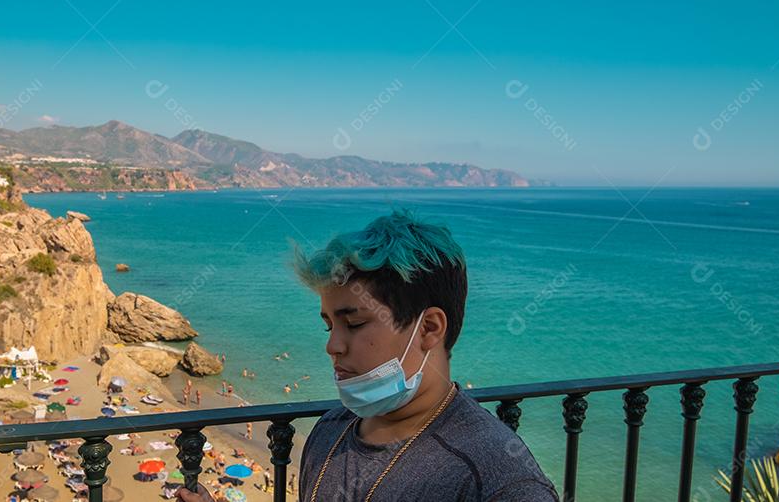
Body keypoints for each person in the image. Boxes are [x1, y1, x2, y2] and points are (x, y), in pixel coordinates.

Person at [177, 210, 558, 502]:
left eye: (354, 323)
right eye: (329, 325)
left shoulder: (494, 479)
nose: (333, 345)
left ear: (429, 329)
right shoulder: (329, 432)